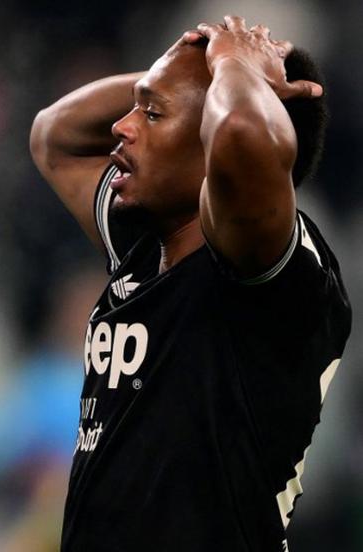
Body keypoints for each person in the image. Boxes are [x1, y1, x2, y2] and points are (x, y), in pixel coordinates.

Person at [29, 15, 352, 552]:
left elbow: (244, 136)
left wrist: (233, 66)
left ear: (210, 143)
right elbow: (53, 135)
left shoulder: (271, 268)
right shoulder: (145, 239)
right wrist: (184, 71)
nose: (122, 126)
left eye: (151, 114)